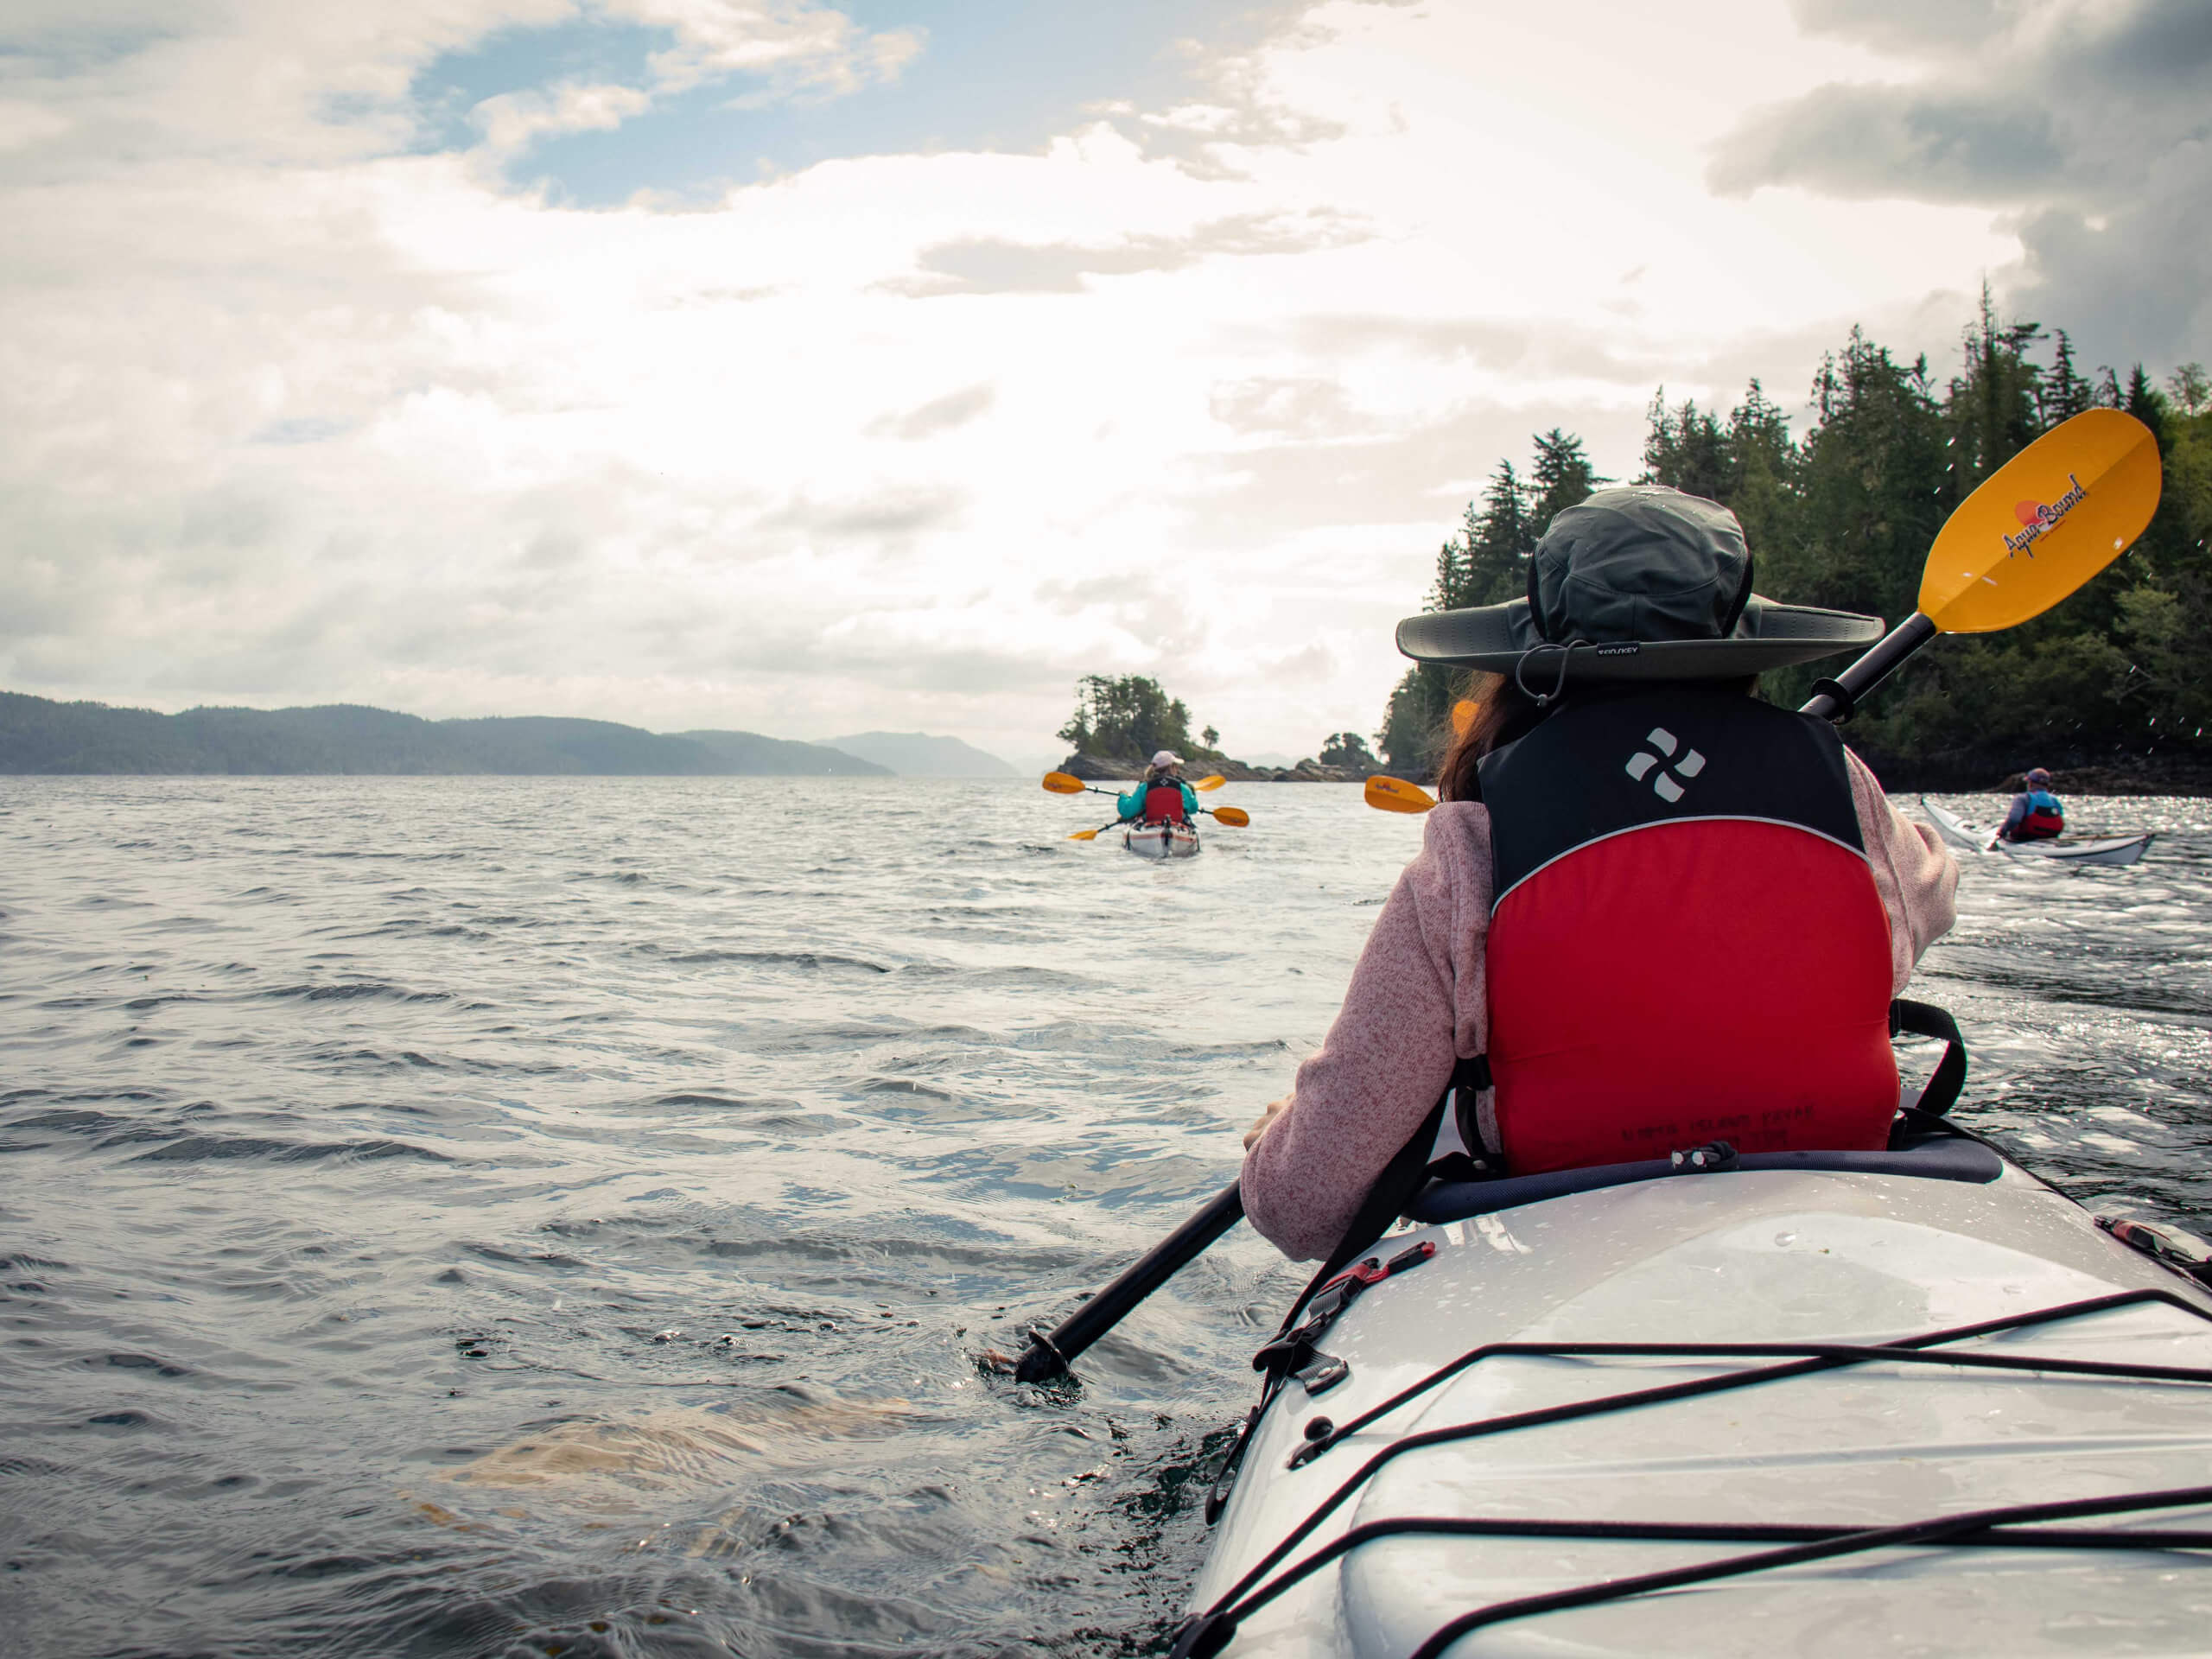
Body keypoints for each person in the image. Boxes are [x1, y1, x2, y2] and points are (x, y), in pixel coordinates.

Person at [1240, 485, 1960, 1262]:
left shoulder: (1469, 849)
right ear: (1739, 648)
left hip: (1568, 1249)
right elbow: (1932, 893)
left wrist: (1280, 1137)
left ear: (1526, 660)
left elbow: (1300, 1209)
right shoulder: (1847, 793)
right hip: (1827, 1233)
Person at [1119, 750, 1198, 825]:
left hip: (1150, 827)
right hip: (1176, 826)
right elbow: (1194, 808)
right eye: (1175, 766)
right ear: (1171, 767)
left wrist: (1123, 796)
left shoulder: (1144, 787)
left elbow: (1127, 811)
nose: (1177, 770)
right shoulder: (1182, 788)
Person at [1997, 767, 2065, 842]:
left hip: (2026, 837)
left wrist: (2002, 832)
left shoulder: (2023, 798)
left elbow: (2014, 819)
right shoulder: (2054, 799)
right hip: (2051, 836)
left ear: (2031, 783)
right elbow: (2060, 818)